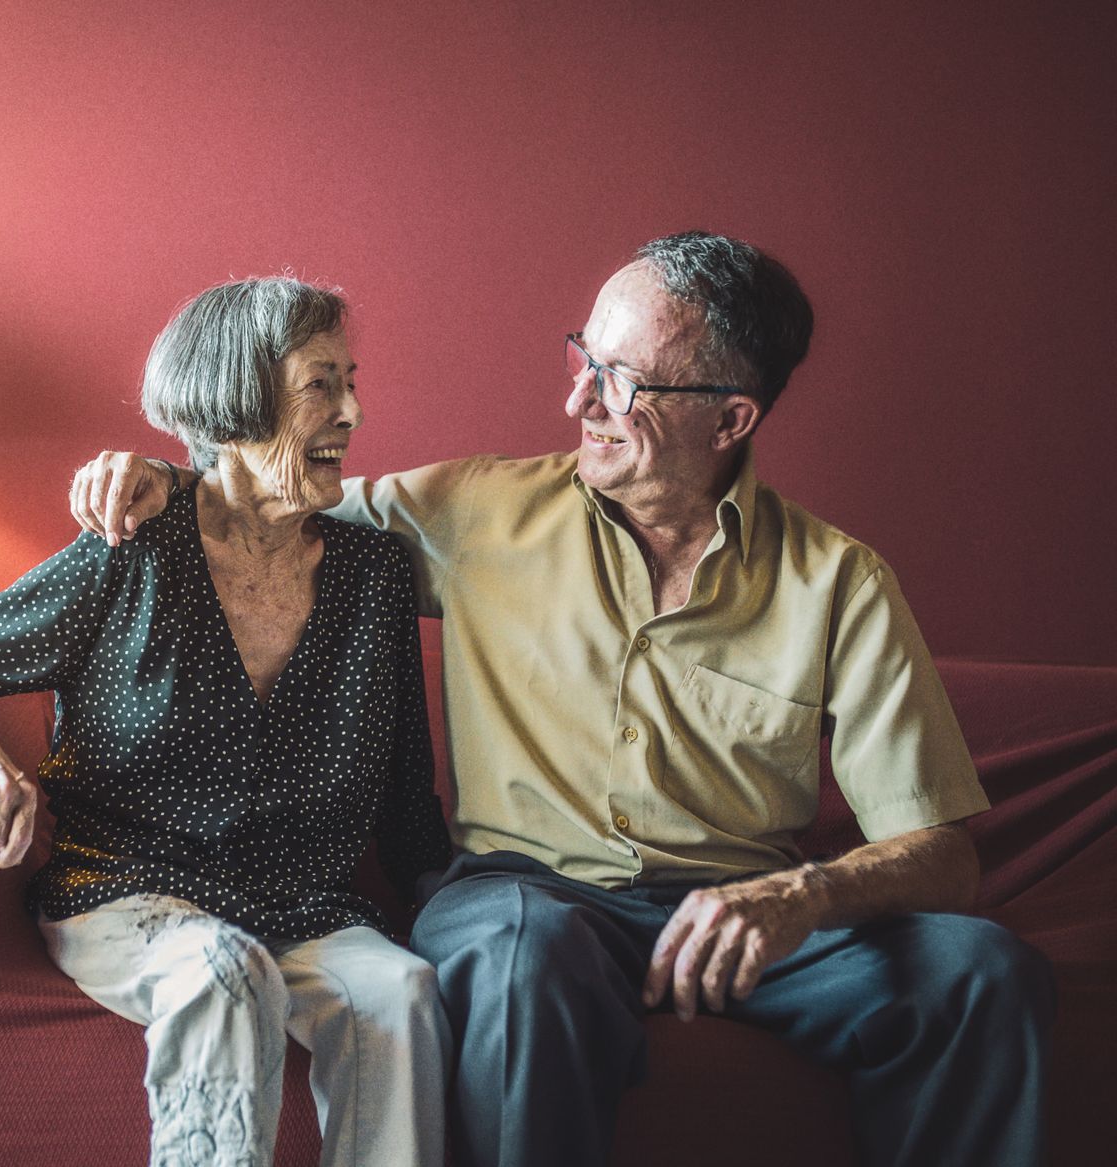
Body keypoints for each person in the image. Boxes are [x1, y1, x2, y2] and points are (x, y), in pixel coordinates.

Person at [65, 232, 1058, 1167]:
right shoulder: (475, 511)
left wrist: (799, 896)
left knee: (982, 972)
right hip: (525, 897)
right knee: (519, 955)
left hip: (733, 911)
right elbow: (261, 505)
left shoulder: (839, 582)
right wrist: (160, 478)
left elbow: (943, 853)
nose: (578, 396)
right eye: (584, 354)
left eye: (622, 380)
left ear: (730, 419)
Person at [0, 276, 453, 1167]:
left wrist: (458, 913)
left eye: (351, 382)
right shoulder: (132, 549)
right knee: (223, 972)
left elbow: (407, 797)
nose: (354, 412)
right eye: (321, 385)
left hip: (304, 906)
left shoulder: (372, 575)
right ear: (237, 398)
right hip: (129, 892)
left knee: (401, 991)